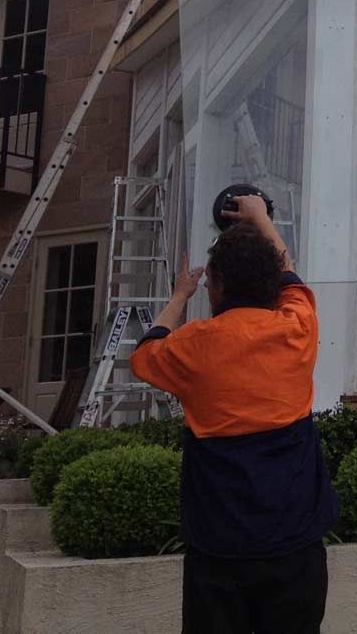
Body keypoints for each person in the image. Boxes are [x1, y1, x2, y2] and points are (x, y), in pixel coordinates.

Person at [130, 194, 337, 633]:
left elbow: (145, 353)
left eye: (208, 282)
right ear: (271, 286)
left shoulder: (193, 348)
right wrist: (261, 218)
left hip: (219, 555)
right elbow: (289, 275)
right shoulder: (297, 330)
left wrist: (178, 298)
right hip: (295, 549)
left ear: (217, 285)